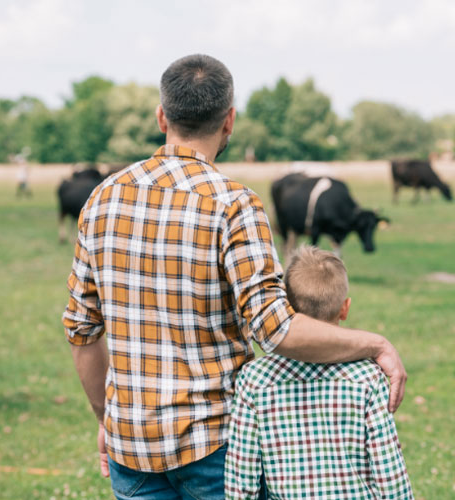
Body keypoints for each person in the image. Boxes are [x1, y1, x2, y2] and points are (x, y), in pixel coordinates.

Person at [62, 54, 407, 500]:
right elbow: (275, 328)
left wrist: (105, 419)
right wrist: (375, 344)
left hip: (132, 448)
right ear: (230, 121)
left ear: (161, 116)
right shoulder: (235, 205)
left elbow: (81, 330)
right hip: (218, 450)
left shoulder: (102, 199)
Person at [225, 245, 414, 499]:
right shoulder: (369, 378)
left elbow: (242, 473)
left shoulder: (254, 379)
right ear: (345, 308)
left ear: (287, 307)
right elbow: (389, 472)